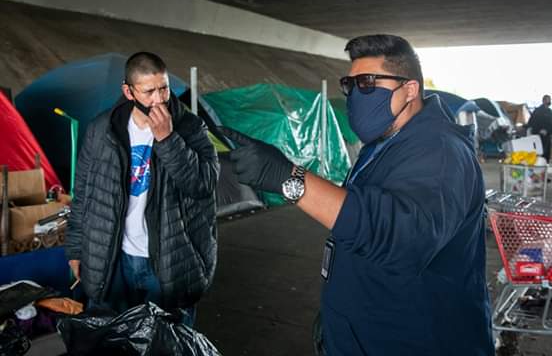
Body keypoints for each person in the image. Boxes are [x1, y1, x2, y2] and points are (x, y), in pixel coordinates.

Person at [221, 35, 493, 355]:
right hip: (361, 334)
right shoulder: (384, 142)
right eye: (350, 84)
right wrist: (339, 316)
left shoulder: (440, 150)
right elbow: (356, 216)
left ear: (410, 89)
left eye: (368, 83)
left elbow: (400, 236)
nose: (355, 94)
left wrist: (288, 178)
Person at [65, 52, 219, 326]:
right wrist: (76, 249)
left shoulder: (190, 127)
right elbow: (84, 193)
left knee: (168, 340)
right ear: (128, 91)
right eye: (149, 92)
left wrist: (168, 139)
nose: (159, 100)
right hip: (114, 259)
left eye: (164, 88)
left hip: (166, 261)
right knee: (114, 337)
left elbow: (203, 185)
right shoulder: (103, 130)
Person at [527, 94, 552, 161]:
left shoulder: (550, 111)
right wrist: (539, 130)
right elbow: (531, 123)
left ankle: (544, 167)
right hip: (538, 137)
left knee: (546, 155)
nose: (550, 101)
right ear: (543, 101)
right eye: (548, 99)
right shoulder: (537, 111)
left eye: (550, 99)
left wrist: (548, 131)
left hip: (547, 137)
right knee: (538, 154)